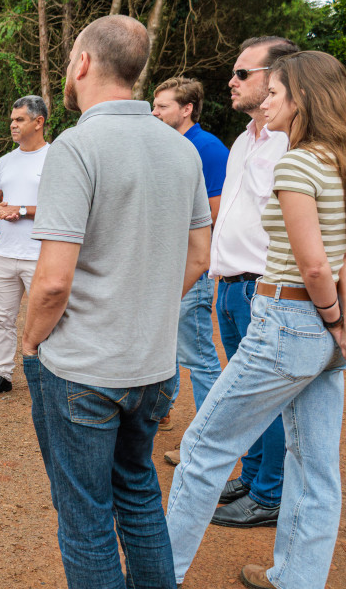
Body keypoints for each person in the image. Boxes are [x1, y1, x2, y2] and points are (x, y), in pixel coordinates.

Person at [165, 50, 346, 589]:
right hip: (319, 332)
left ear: (302, 98)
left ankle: (156, 577)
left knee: (202, 449)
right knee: (314, 466)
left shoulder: (296, 163)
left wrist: (338, 322)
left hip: (287, 323)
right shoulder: (340, 162)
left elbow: (315, 267)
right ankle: (296, 579)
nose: (266, 102)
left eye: (274, 93)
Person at [19, 15, 211, 587]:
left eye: (70, 61)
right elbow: (200, 256)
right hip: (153, 366)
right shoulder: (181, 149)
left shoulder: (77, 147)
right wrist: (144, 305)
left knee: (85, 517)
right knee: (139, 493)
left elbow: (53, 282)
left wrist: (29, 341)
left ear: (82, 63)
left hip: (85, 368)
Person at [185, 37, 301, 530]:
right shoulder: (243, 140)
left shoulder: (290, 141)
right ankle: (252, 478)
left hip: (262, 286)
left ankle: (270, 493)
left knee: (263, 397)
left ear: (279, 78)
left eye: (242, 73)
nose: (231, 81)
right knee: (243, 394)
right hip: (230, 285)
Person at [149, 77, 228, 435]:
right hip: (162, 264)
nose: (154, 112)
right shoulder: (163, 145)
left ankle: (209, 436)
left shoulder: (208, 148)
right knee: (164, 345)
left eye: (162, 106)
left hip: (190, 267)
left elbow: (215, 211)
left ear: (187, 109)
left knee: (198, 354)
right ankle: (161, 411)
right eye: (154, 105)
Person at [0, 95, 49, 398]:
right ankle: (2, 374)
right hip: (5, 253)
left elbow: (62, 207)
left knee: (47, 319)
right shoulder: (5, 161)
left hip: (40, 255)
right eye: (12, 120)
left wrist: (19, 210)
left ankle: (49, 377)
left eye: (19, 119)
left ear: (38, 122)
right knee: (2, 318)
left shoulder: (55, 158)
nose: (13, 125)